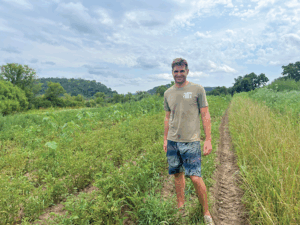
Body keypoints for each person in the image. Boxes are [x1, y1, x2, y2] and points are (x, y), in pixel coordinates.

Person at [163, 58, 214, 225]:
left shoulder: (197, 89)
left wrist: (208, 139)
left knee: (195, 177)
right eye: (176, 71)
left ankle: (206, 212)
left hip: (191, 141)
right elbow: (167, 117)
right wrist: (165, 139)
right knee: (177, 174)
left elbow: (205, 114)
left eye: (181, 71)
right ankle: (180, 205)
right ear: (172, 73)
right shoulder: (168, 93)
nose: (179, 74)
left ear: (187, 71)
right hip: (172, 141)